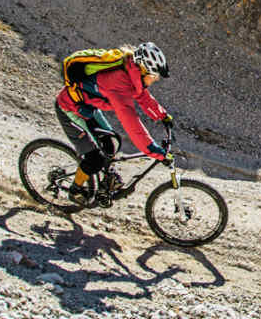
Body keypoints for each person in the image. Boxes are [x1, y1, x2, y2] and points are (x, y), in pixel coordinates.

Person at [54, 42, 174, 202]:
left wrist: (162, 116)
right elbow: (131, 123)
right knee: (94, 159)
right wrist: (153, 150)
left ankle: (105, 183)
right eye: (154, 77)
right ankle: (75, 190)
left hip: (88, 108)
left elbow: (142, 95)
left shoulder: (131, 71)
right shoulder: (118, 82)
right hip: (70, 108)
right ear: (144, 69)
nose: (154, 80)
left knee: (111, 144)